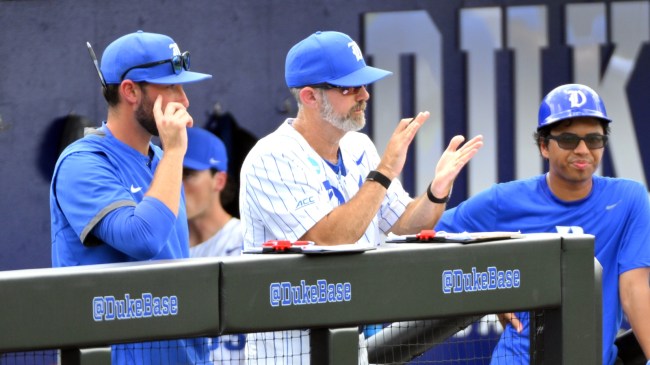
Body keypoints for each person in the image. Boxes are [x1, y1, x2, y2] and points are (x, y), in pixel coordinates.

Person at [239, 30, 483, 364]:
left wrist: (436, 190)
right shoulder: (272, 156)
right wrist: (383, 172)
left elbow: (406, 224)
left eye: (364, 84)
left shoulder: (359, 146)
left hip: (348, 347)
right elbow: (330, 240)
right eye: (349, 87)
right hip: (286, 354)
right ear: (310, 96)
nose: (364, 94)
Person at [434, 84, 650, 365]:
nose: (583, 149)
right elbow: (431, 237)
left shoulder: (630, 199)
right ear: (544, 146)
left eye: (594, 139)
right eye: (569, 139)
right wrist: (492, 287)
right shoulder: (503, 199)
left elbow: (635, 290)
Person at [50, 30, 212, 364]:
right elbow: (143, 238)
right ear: (130, 91)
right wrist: (174, 153)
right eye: (171, 86)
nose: (185, 100)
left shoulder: (163, 158)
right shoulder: (82, 162)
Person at [183, 127, 245, 364]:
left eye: (188, 174)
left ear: (218, 180)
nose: (177, 185)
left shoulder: (245, 240)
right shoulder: (165, 252)